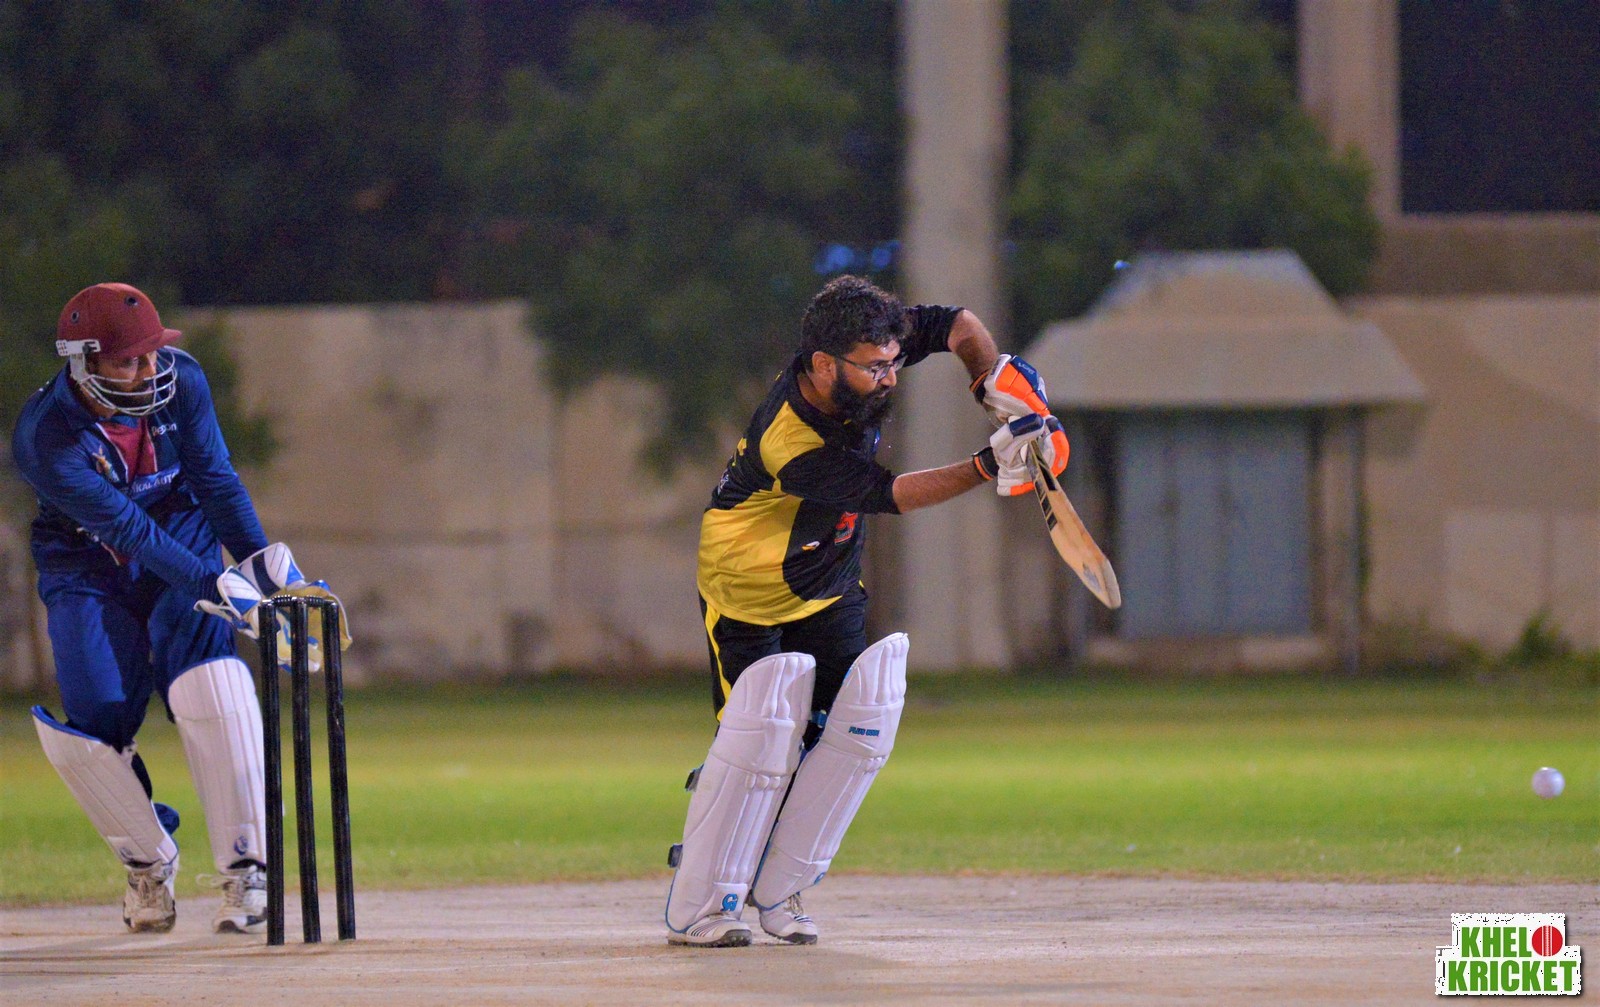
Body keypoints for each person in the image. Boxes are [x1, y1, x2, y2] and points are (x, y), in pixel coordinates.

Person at [664, 274, 1068, 947]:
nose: (889, 377)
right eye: (874, 368)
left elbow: (960, 324)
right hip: (748, 588)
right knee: (761, 743)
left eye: (893, 361)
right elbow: (890, 494)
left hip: (828, 577)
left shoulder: (870, 345)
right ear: (825, 365)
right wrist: (987, 465)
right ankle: (705, 902)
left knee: (853, 730)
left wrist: (993, 382)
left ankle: (781, 888)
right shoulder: (792, 439)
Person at [12, 283, 327, 934]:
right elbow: (129, 531)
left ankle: (248, 869)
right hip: (86, 559)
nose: (148, 369)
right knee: (94, 723)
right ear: (82, 361)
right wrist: (219, 588)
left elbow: (215, 480)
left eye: (151, 353)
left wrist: (260, 572)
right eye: (128, 360)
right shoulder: (44, 435)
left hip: (180, 529)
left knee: (212, 681)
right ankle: (147, 864)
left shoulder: (183, 380)